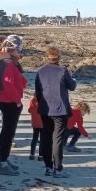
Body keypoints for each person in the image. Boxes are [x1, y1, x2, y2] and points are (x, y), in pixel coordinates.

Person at [35, 46, 77, 178]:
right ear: (58, 57)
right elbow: (72, 86)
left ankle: (48, 167)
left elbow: (37, 92)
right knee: (57, 139)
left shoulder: (40, 71)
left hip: (45, 109)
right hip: (59, 109)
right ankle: (58, 168)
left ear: (47, 57)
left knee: (46, 138)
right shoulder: (63, 70)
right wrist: (73, 79)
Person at [0, 34, 27, 176]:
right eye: (18, 49)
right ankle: (3, 162)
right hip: (9, 101)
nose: (19, 52)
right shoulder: (8, 62)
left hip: (1, 98)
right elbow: (7, 83)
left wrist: (22, 81)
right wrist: (17, 100)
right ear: (14, 48)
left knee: (7, 132)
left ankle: (4, 158)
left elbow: (9, 79)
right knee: (8, 132)